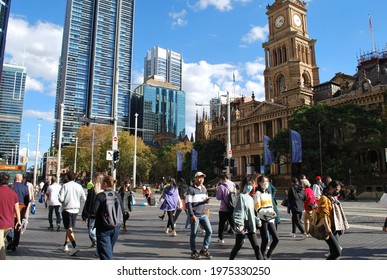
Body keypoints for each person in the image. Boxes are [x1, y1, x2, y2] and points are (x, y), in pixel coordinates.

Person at [91, 175, 124, 260]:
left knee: (106, 255)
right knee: (109, 251)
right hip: (116, 227)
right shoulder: (117, 195)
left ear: (105, 184)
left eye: (102, 183)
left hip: (103, 228)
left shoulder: (101, 196)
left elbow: (93, 212)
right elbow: (123, 211)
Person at [229, 177, 263, 260]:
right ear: (243, 185)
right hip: (242, 226)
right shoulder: (241, 196)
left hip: (250, 225)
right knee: (238, 246)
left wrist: (257, 220)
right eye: (248, 185)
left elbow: (251, 213)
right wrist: (239, 225)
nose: (249, 187)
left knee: (256, 247)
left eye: (251, 185)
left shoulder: (251, 198)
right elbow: (238, 212)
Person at [318, 180, 349, 260]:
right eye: (337, 190)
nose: (338, 192)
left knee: (334, 251)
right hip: (327, 228)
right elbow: (324, 214)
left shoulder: (332, 198)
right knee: (337, 252)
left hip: (333, 227)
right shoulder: (324, 198)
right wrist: (327, 229)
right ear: (331, 188)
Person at [58, 171, 86, 256]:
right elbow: (84, 198)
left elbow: (61, 199)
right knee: (69, 228)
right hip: (76, 209)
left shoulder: (65, 186)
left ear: (67, 178)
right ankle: (65, 244)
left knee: (68, 228)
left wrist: (59, 197)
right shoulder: (79, 186)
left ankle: (74, 246)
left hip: (67, 209)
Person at [186, 171, 213, 260]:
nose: (201, 179)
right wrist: (192, 215)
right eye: (199, 178)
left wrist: (206, 201)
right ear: (195, 179)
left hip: (203, 214)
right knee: (194, 233)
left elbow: (204, 199)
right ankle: (193, 251)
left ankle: (204, 249)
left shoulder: (204, 188)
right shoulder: (191, 189)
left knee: (209, 231)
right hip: (195, 215)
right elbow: (188, 203)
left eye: (202, 178)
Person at [254, 175, 279, 259]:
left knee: (276, 239)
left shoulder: (268, 193)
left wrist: (272, 212)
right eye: (264, 181)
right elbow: (258, 208)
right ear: (260, 183)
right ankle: (261, 257)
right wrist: (267, 212)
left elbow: (271, 205)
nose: (266, 183)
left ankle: (268, 254)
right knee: (265, 240)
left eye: (267, 181)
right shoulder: (258, 194)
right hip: (262, 219)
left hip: (270, 218)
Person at [0, 172, 21, 260]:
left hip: (0, 224)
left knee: (1, 247)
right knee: (1, 242)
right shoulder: (13, 194)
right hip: (9, 224)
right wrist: (19, 221)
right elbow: (17, 209)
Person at [82, 173, 104, 255]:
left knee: (92, 230)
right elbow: (88, 203)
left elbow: (88, 203)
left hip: (97, 215)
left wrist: (84, 215)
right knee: (94, 230)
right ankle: (98, 248)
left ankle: (98, 244)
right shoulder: (94, 190)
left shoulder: (100, 190)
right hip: (98, 214)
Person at [6, 174, 30, 251]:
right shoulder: (25, 187)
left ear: (15, 179)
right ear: (21, 179)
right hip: (21, 207)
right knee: (18, 224)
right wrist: (25, 208)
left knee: (9, 224)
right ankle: (15, 243)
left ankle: (10, 240)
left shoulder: (10, 186)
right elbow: (27, 199)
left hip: (11, 207)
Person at [215, 174, 236, 244]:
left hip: (224, 208)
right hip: (232, 207)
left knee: (221, 224)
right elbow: (235, 195)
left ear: (223, 179)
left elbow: (218, 197)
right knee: (232, 222)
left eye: (220, 180)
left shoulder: (221, 186)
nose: (220, 181)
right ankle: (240, 235)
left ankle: (221, 239)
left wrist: (217, 190)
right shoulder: (233, 184)